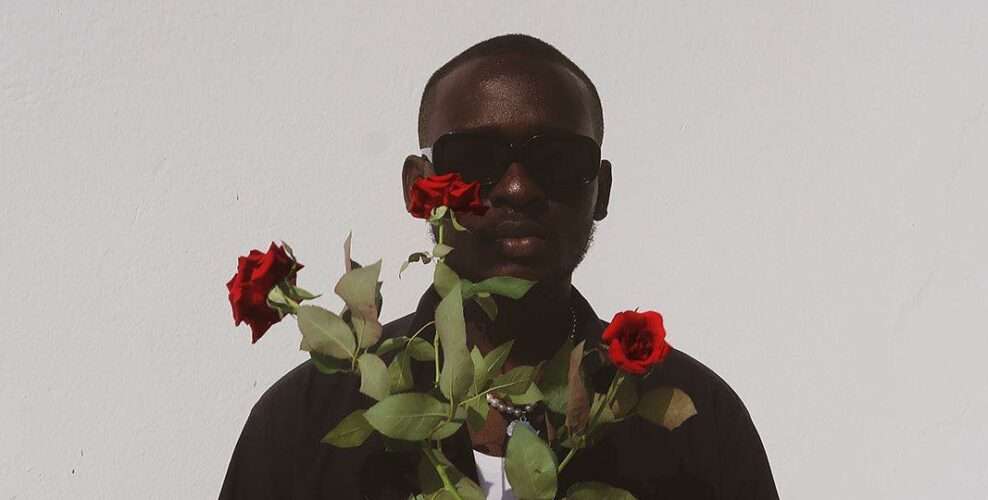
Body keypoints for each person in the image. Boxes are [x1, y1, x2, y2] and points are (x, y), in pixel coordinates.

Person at [220, 33, 779, 500]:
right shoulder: (304, 424)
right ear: (419, 188)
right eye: (475, 159)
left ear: (601, 191)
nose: (517, 188)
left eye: (557, 159)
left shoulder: (696, 427)